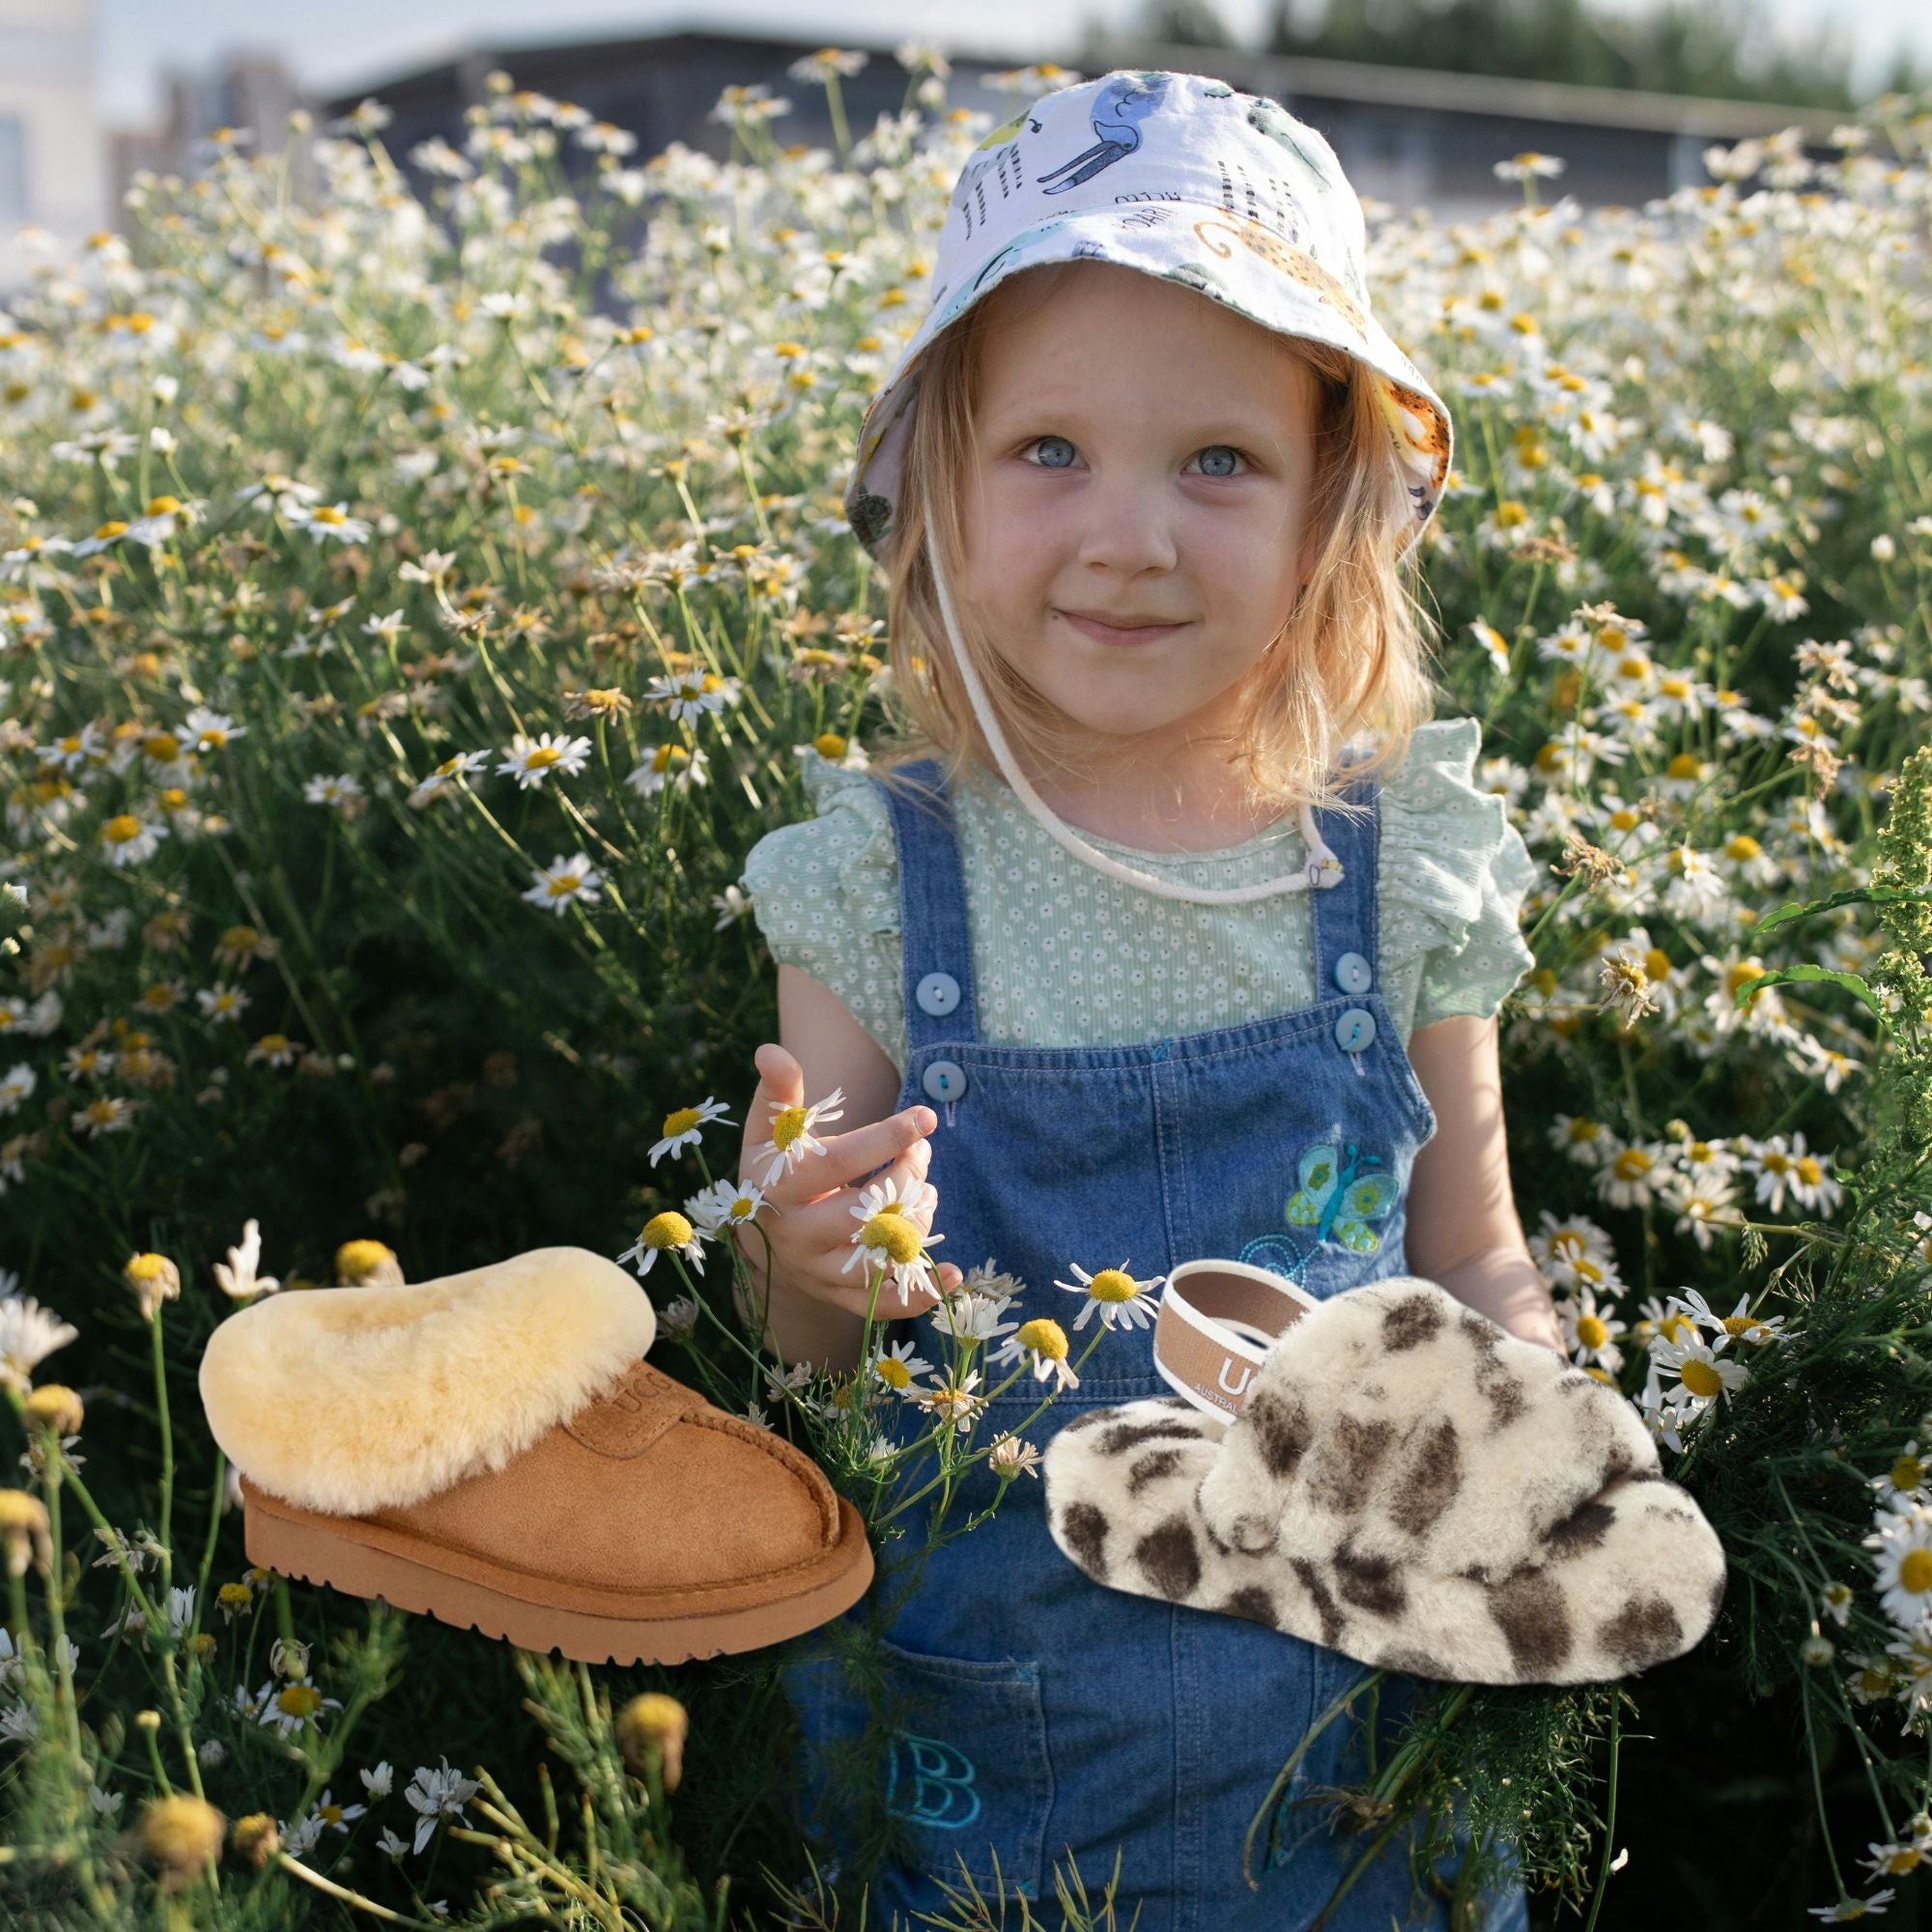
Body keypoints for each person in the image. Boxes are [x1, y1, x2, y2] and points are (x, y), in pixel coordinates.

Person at [735, 68, 1553, 1930]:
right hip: (996, 1778)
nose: (1131, 534)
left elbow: (1478, 1247)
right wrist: (809, 1255)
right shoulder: (876, 874)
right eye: (1049, 453)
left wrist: (1542, 1438)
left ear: (1331, 502)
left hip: (1370, 1758)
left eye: (1218, 461)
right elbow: (804, 1358)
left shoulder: (1390, 856)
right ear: (932, 485)